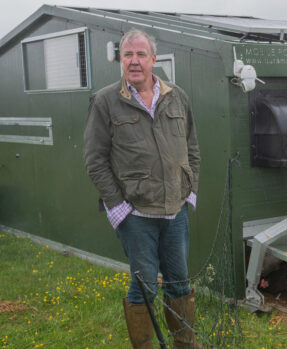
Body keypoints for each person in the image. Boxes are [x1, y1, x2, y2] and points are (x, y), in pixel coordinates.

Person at [83, 28, 203, 349]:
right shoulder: (106, 101)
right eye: (127, 55)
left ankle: (185, 344)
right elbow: (95, 160)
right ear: (120, 60)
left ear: (153, 58)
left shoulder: (177, 96)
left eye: (140, 54)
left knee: (179, 282)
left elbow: (191, 147)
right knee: (145, 286)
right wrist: (119, 207)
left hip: (175, 210)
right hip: (136, 213)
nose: (134, 61)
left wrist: (189, 189)